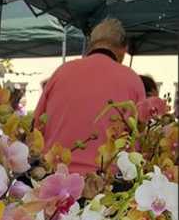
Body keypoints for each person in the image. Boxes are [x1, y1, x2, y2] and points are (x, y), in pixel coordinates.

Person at [34, 18, 145, 175]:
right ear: (123, 49)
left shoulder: (61, 72)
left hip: (54, 177)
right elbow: (138, 138)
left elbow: (37, 128)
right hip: (105, 183)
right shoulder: (132, 79)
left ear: (90, 45)